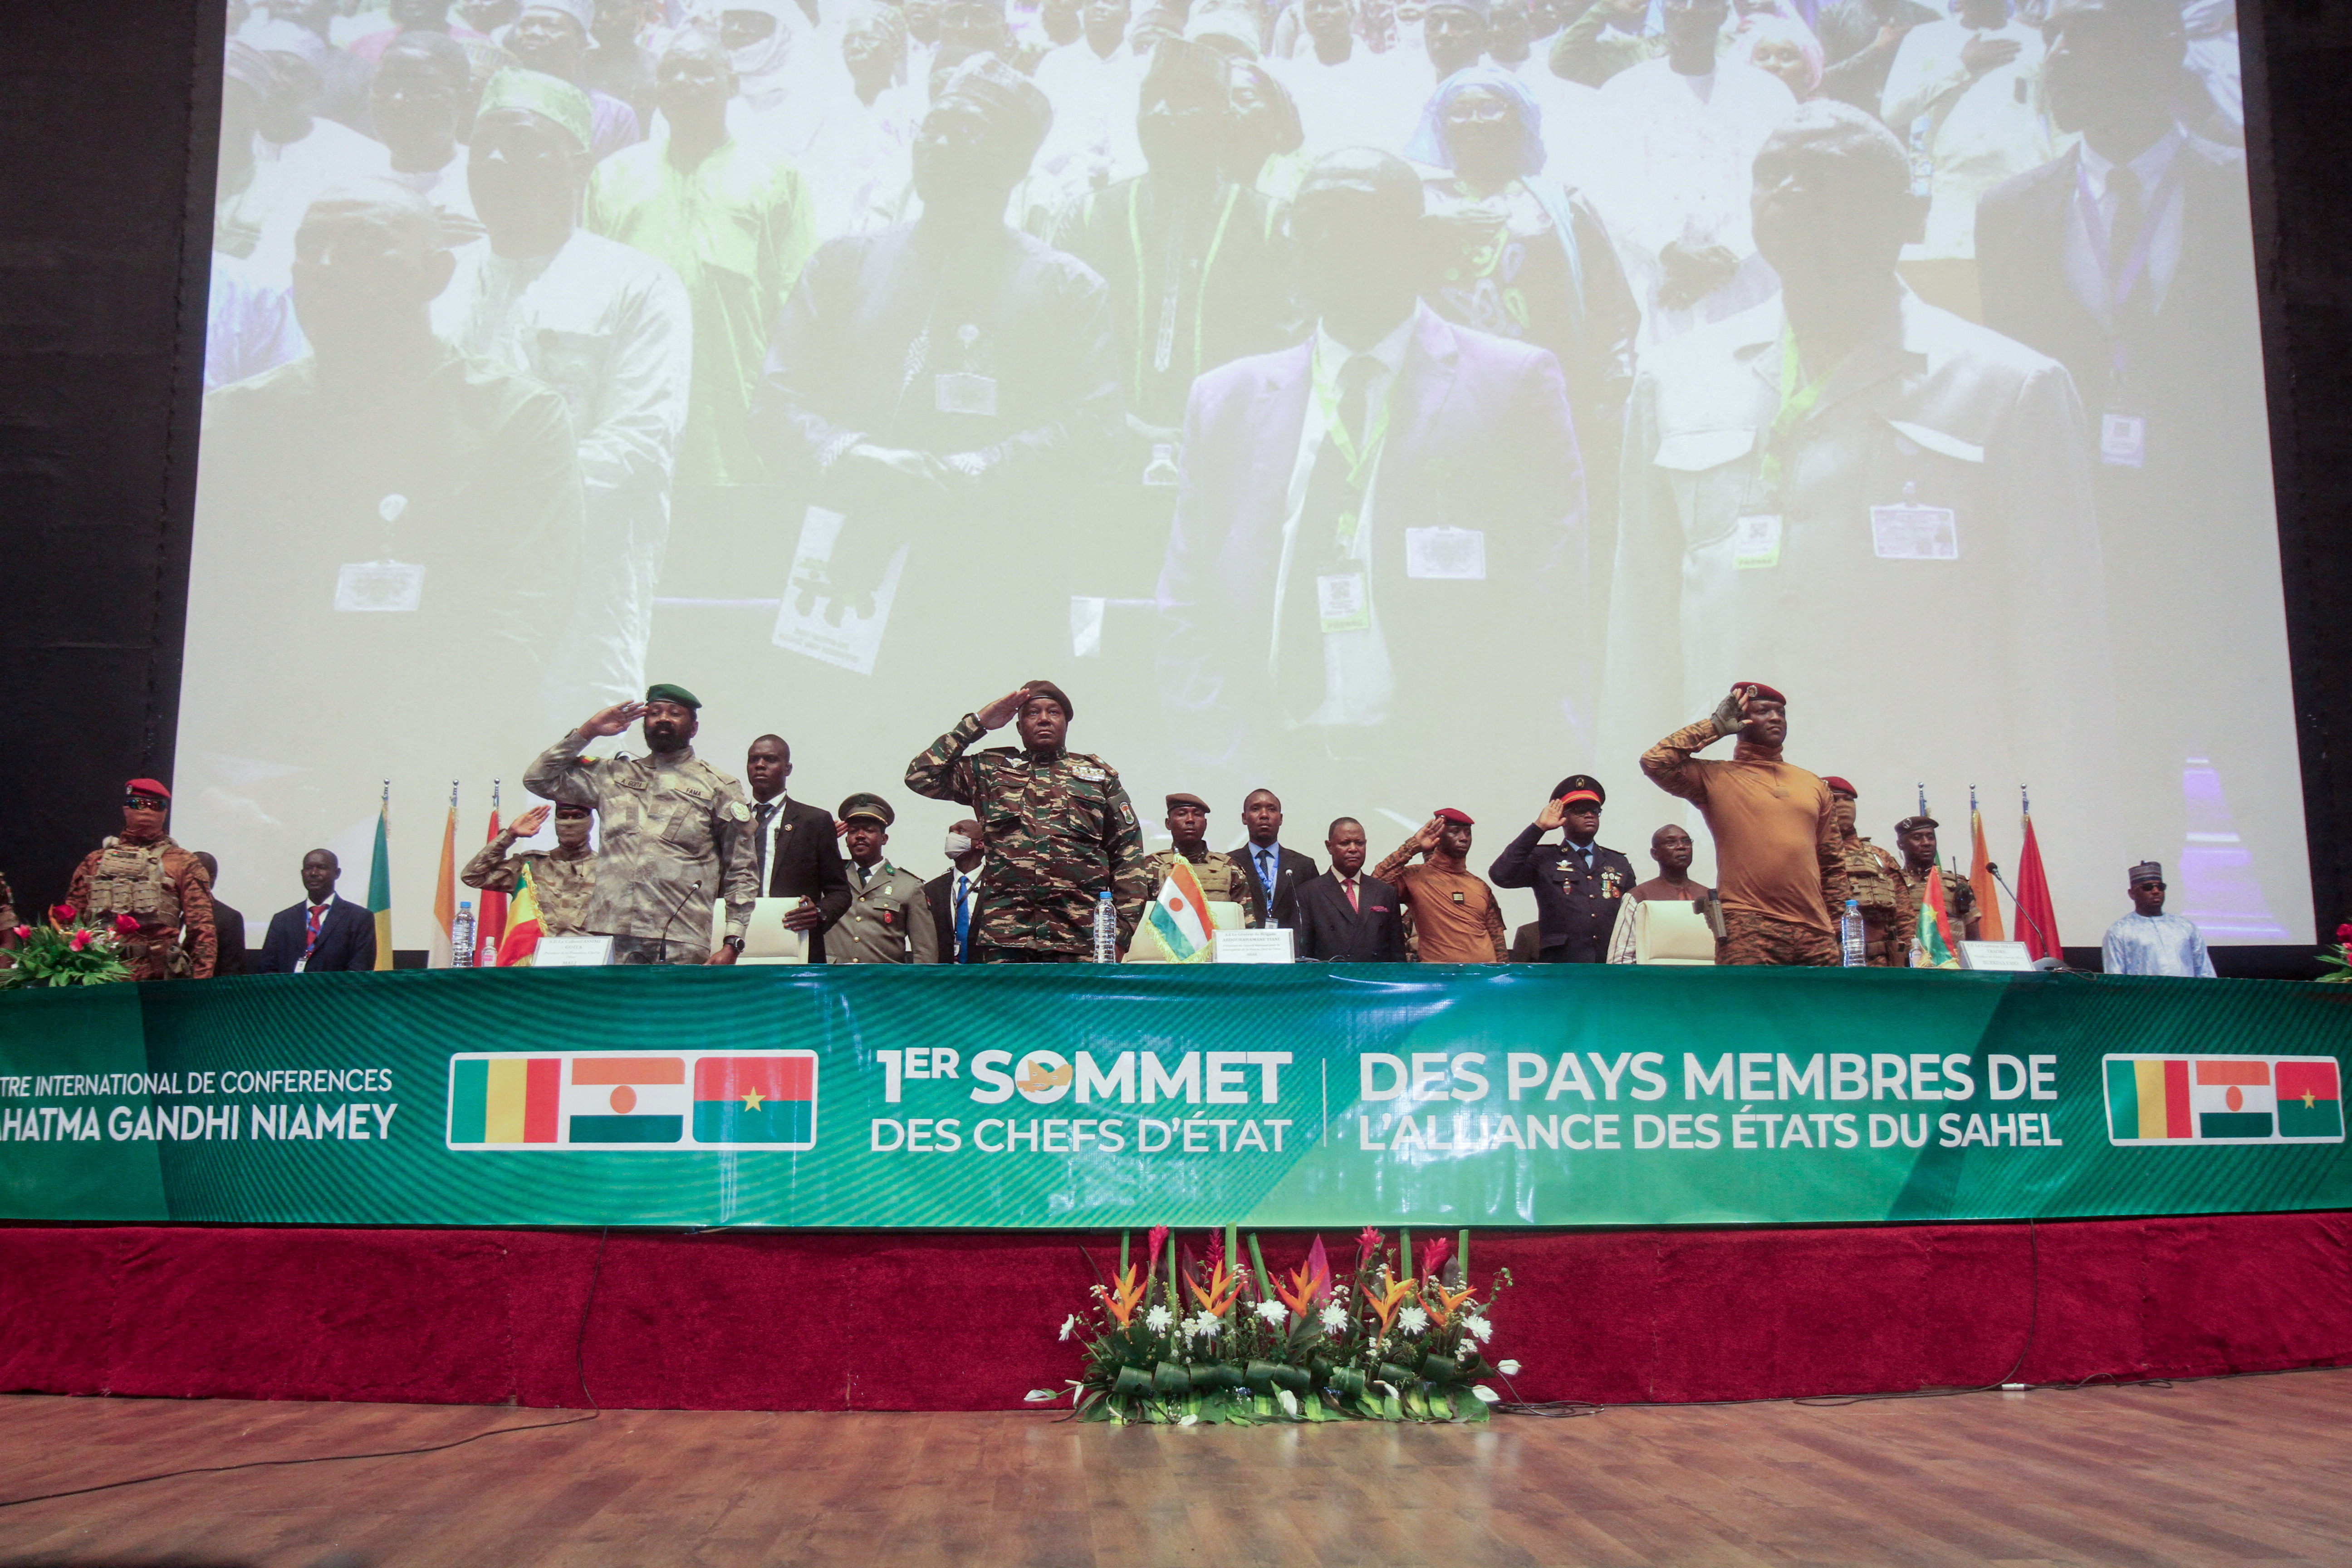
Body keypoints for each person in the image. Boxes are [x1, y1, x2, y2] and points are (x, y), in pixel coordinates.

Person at [1601, 101, 2116, 884]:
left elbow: (2057, 647)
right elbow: (1639, 625)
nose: (1794, 194)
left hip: (1918, 810)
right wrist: (1634, 818)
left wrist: (2068, 854)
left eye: (1830, 176)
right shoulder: (1674, 381)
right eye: (1772, 175)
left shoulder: (2007, 386)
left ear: (1907, 213)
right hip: (1728, 819)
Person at [1976, 0, 2295, 905]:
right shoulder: (2010, 211)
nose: (2069, 54)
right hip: (2092, 573)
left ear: (2163, 49)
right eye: (2059, 36)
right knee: (2126, 827)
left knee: (2275, 818)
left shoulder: (2247, 186)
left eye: (2096, 31)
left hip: (2232, 573)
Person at [1155, 149, 1585, 815]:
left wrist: (1464, 789)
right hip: (1269, 782)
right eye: (1313, 223)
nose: (1327, 243)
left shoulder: (1512, 383)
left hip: (1446, 789)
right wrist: (1229, 775)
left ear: (1414, 244)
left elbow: (1547, 597)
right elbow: (1185, 608)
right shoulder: (1226, 401)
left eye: (1355, 221)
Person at [178, 181, 583, 880]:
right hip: (266, 782)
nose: (328, 267)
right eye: (312, 249)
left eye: (363, 248)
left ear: (436, 273)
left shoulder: (515, 417)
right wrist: (210, 779)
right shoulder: (237, 422)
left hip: (443, 775)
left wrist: (390, 773)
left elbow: (525, 619)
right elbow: (207, 619)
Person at [754, 58, 1120, 681]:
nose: (938, 142)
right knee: (843, 761)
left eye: (965, 130)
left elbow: (1093, 430)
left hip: (996, 576)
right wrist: (854, 454)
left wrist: (966, 471)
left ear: (1014, 164)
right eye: (932, 127)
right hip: (854, 568)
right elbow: (776, 405)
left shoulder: (1066, 288)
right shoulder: (844, 266)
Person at [436, 69, 689, 722]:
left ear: (576, 165)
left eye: (520, 143)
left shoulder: (637, 284)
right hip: (449, 567)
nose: (494, 160)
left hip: (582, 573)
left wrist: (509, 503)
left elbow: (638, 441)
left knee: (577, 771)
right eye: (483, 144)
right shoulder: (439, 281)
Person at [1052, 40, 1297, 619]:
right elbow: (1057, 346)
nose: (1163, 115)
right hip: (1107, 455)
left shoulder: (1270, 223)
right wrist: (1115, 420)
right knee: (1105, 614)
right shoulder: (1090, 216)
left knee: (1215, 616)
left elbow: (1290, 360)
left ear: (1224, 118)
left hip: (1231, 463)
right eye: (1153, 101)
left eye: (1185, 101)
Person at [1408, 65, 1637, 619]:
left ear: (1521, 121)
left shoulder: (1561, 203)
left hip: (1546, 404)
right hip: (1442, 405)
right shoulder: (1416, 205)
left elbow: (1611, 309)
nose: (1476, 122)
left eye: (1492, 108)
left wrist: (1609, 398)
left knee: (1542, 537)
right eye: (1461, 110)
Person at [587, 31, 818, 488]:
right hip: (632, 405)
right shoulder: (614, 176)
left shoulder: (776, 175)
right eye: (670, 72)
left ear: (732, 85)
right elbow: (593, 299)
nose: (682, 81)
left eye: (699, 70)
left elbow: (798, 302)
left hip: (736, 408)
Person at [1587, 0, 1794, 346]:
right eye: (1677, 4)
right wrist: (1669, 250)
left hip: (1749, 279)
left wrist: (1724, 261)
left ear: (1724, 13)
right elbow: (1609, 190)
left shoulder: (1767, 94)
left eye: (1702, 5)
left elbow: (1784, 183)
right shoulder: (1624, 92)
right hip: (1662, 280)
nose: (1688, 12)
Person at [904, 681, 1149, 960]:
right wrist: (979, 723)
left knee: (1076, 1006)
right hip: (1006, 939)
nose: (1043, 719)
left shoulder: (1098, 778)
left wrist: (1118, 936)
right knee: (1008, 1006)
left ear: (1066, 722)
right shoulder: (989, 771)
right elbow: (921, 776)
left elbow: (1129, 857)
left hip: (1079, 939)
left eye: (1053, 712)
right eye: (1032, 713)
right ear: (1019, 726)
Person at [522, 684, 762, 963]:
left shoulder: (718, 787)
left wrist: (733, 941)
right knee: (610, 1009)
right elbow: (538, 779)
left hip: (677, 939)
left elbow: (742, 870)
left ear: (694, 728)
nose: (663, 719)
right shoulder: (612, 775)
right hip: (608, 935)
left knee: (671, 1009)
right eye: (655, 712)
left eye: (675, 713)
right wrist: (590, 730)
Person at [1641, 683, 1850, 966]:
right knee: (1745, 1010)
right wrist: (1713, 727)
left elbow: (1832, 863)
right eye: (1764, 711)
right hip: (1749, 924)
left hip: (1815, 930)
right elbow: (1655, 762)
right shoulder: (1715, 777)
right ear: (1740, 722)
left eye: (1781, 713)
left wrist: (1838, 929)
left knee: (1824, 1011)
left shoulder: (1813, 785)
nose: (1776, 718)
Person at [1879, 0, 2051, 265]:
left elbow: (2060, 124)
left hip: (2023, 192)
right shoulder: (1926, 38)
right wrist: (1961, 64)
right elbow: (1893, 112)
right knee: (1952, 291)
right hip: (1956, 195)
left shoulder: (2036, 41)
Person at [66, 781, 218, 982]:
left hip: (157, 977)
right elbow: (69, 923)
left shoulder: (183, 863)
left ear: (165, 812)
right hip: (100, 974)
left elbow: (202, 930)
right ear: (126, 809)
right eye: (138, 804)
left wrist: (198, 985)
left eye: (155, 805)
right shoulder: (95, 861)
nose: (146, 811)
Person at [1490, 774, 1638, 961]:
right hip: (1561, 963)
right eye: (1580, 810)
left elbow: (1633, 915)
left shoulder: (1617, 862)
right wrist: (1539, 828)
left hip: (1609, 963)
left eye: (1594, 810)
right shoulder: (1545, 858)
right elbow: (1500, 875)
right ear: (1563, 817)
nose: (1590, 815)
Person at [743, 734, 854, 961]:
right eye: (754, 760)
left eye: (770, 759)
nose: (760, 765)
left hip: (795, 941)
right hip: (738, 941)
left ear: (788, 768)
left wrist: (819, 914)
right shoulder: (732, 821)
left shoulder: (814, 821)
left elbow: (840, 891)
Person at [371, 31, 487, 245]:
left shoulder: (490, 184)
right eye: (384, 86)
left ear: (465, 100)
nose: (397, 100)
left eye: (421, 89)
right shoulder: (339, 169)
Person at [1030, 0, 1148, 207]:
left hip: (1128, 196)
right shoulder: (1056, 64)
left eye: (1111, 2)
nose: (1099, 7)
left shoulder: (1143, 70)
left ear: (1128, 15)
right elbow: (1035, 131)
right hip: (1058, 194)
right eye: (1091, 2)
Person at [506, 0, 645, 160]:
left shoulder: (614, 116)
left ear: (581, 41)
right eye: (525, 25)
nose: (534, 32)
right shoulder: (500, 101)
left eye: (550, 25)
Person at [1373, 808, 1509, 962]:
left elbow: (1497, 937)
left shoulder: (1480, 886)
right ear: (1438, 836)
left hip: (1483, 978)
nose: (1464, 838)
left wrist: (1502, 975)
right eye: (1455, 832)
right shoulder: (1415, 876)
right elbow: (1377, 884)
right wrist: (1413, 845)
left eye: (1468, 833)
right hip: (1440, 978)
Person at [827, 794, 945, 963]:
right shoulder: (830, 876)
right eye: (853, 831)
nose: (860, 836)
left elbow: (925, 950)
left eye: (869, 830)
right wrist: (823, 840)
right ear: (846, 840)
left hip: (884, 983)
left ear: (884, 839)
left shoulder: (909, 885)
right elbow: (790, 873)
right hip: (833, 981)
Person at [461, 800, 600, 938]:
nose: (569, 823)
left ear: (591, 822)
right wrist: (510, 835)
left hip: (591, 956)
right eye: (563, 816)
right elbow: (473, 876)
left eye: (578, 816)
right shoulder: (531, 865)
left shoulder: (606, 869)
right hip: (537, 955)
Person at [1292, 818, 1407, 960]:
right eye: (1345, 843)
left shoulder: (1386, 892)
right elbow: (1303, 953)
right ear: (1330, 847)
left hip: (1376, 979)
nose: (1353, 849)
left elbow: (1397, 954)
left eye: (1360, 843)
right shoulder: (1309, 893)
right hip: (1331, 979)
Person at [1826, 775, 1912, 965]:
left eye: (1849, 800)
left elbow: (1904, 915)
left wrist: (1908, 955)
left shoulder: (1879, 857)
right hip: (1829, 961)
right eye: (1836, 799)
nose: (1844, 805)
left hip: (1881, 962)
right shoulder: (1807, 854)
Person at [1139, 793, 1258, 927]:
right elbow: (1136, 920)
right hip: (1163, 947)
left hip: (1218, 946)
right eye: (1182, 814)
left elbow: (1247, 924)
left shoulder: (1229, 868)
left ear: (1206, 823)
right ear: (1168, 823)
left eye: (1197, 815)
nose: (1190, 820)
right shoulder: (1151, 866)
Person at [1604, 823, 1716, 962]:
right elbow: (1621, 958)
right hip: (1655, 981)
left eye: (1686, 841)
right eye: (1671, 842)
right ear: (1655, 854)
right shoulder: (1639, 897)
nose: (1682, 847)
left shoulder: (1709, 896)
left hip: (1706, 980)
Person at [255, 848, 378, 972]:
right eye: (308, 868)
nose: (314, 873)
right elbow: (267, 969)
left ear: (337, 873)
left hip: (335, 991)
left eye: (321, 867)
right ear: (302, 873)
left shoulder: (359, 918)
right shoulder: (282, 920)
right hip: (289, 991)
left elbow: (359, 970)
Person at [1815, 0, 1938, 113]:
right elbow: (1822, 78)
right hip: (1853, 119)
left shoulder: (1925, 18)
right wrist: (1875, 50)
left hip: (1909, 119)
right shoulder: (1832, 16)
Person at [2101, 860, 2216, 976]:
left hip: (2185, 994)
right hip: (2144, 994)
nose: (2156, 891)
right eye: (2148, 887)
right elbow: (2115, 978)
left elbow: (2205, 972)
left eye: (2161, 887)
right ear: (2132, 894)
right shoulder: (2120, 931)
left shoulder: (2186, 927)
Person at [1222, 58, 1309, 201]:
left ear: (1278, 110)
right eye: (1221, 101)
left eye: (1245, 98)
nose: (1230, 109)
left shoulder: (1303, 180)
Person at [1231, 789, 1320, 928]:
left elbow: (1316, 917)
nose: (1264, 815)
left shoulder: (1304, 865)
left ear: (1281, 819)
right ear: (1244, 818)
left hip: (1292, 948)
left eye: (1272, 810)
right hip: (1245, 946)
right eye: (1256, 809)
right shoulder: (1229, 863)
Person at [1894, 812, 1979, 946]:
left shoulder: (1957, 885)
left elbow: (1974, 938)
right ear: (1901, 845)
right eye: (1917, 838)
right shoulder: (1892, 884)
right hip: (1910, 963)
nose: (1926, 843)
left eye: (1931, 837)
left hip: (1952, 963)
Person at [924, 817, 988, 961]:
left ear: (980, 844)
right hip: (944, 976)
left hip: (986, 975)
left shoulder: (998, 887)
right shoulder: (931, 890)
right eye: (950, 832)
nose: (952, 836)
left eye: (960, 831)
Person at [193, 852, 250, 977]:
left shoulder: (228, 918)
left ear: (211, 877)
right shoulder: (170, 913)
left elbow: (231, 971)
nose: (189, 878)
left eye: (195, 873)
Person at [1740, 15, 1823, 101]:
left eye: (1785, 57)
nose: (1771, 64)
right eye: (1763, 57)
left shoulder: (1825, 113)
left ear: (1808, 72)